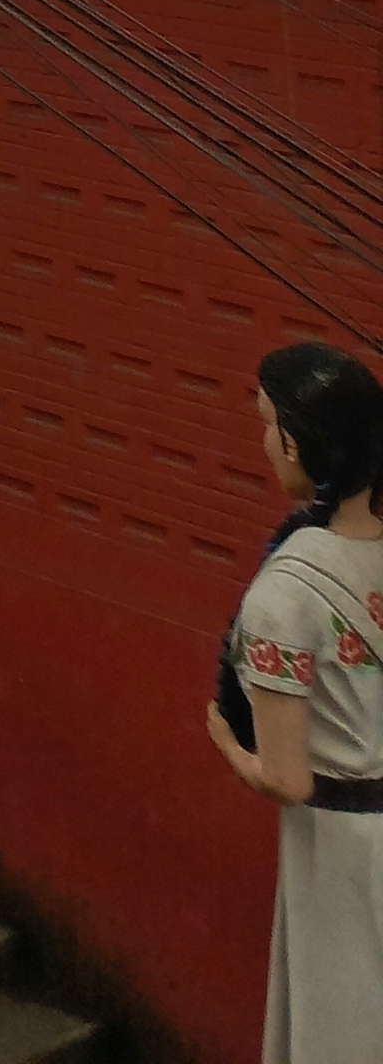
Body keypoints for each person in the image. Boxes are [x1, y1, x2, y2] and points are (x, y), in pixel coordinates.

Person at [205, 338, 383, 1059]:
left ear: (299, 443)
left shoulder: (287, 591)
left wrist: (224, 738)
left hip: (341, 852)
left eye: (268, 426)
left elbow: (286, 778)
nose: (264, 443)